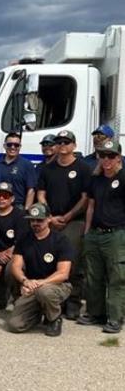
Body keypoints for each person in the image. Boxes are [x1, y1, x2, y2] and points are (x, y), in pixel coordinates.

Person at [37, 129, 91, 320]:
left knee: (72, 262)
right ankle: (53, 300)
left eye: (67, 142)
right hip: (50, 220)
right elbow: (41, 194)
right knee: (49, 260)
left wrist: (67, 217)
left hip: (74, 222)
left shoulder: (84, 168)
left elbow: (85, 198)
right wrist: (49, 216)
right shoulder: (47, 168)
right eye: (59, 142)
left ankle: (73, 302)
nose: (62, 146)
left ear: (74, 146)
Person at [78, 141, 125, 333]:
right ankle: (95, 313)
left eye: (111, 156)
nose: (106, 160)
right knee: (93, 275)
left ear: (119, 158)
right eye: (102, 155)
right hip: (95, 233)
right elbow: (91, 206)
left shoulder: (124, 177)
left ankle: (115, 317)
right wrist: (87, 231)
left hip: (116, 234)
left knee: (116, 277)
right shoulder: (96, 179)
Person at [7, 203, 75, 337]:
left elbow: (63, 273)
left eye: (40, 220)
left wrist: (39, 283)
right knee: (15, 325)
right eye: (32, 220)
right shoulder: (24, 240)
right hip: (32, 285)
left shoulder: (61, 240)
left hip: (57, 285)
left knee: (44, 292)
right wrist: (25, 281)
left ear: (49, 218)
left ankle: (54, 318)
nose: (35, 223)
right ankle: (38, 312)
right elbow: (16, 266)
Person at [0, 182, 28, 309]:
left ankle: (18, 299)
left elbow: (20, 243)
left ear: (12, 199)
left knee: (13, 268)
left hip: (12, 256)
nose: (1, 199)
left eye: (5, 196)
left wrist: (1, 262)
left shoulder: (20, 216)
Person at [0, 132, 36, 209]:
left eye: (16, 145)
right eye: (9, 144)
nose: (13, 147)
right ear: (4, 146)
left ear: (20, 147)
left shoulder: (27, 165)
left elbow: (31, 190)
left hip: (18, 207)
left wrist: (26, 210)